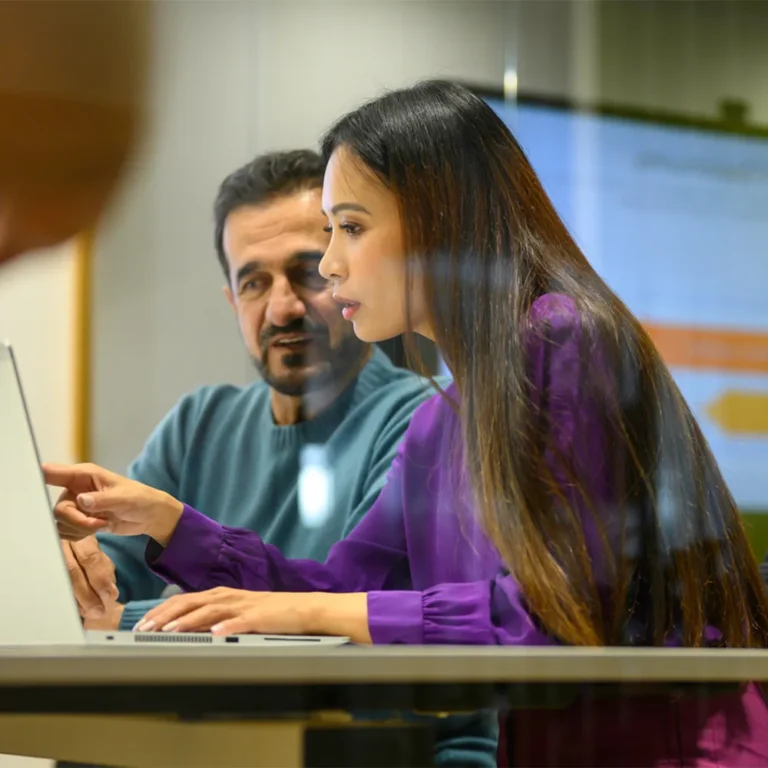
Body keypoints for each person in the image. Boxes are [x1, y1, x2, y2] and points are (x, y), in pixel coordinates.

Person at [46, 81, 768, 766]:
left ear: (439, 220)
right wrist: (172, 523)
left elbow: (553, 617)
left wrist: (316, 616)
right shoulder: (444, 419)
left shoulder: (561, 335)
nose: (331, 264)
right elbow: (336, 593)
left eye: (349, 229)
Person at [56, 148, 497, 767]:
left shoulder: (424, 418)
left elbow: (333, 624)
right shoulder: (197, 424)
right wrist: (69, 570)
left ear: (347, 273)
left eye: (307, 273)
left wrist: (117, 624)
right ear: (231, 300)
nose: (283, 307)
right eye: (254, 282)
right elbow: (89, 601)